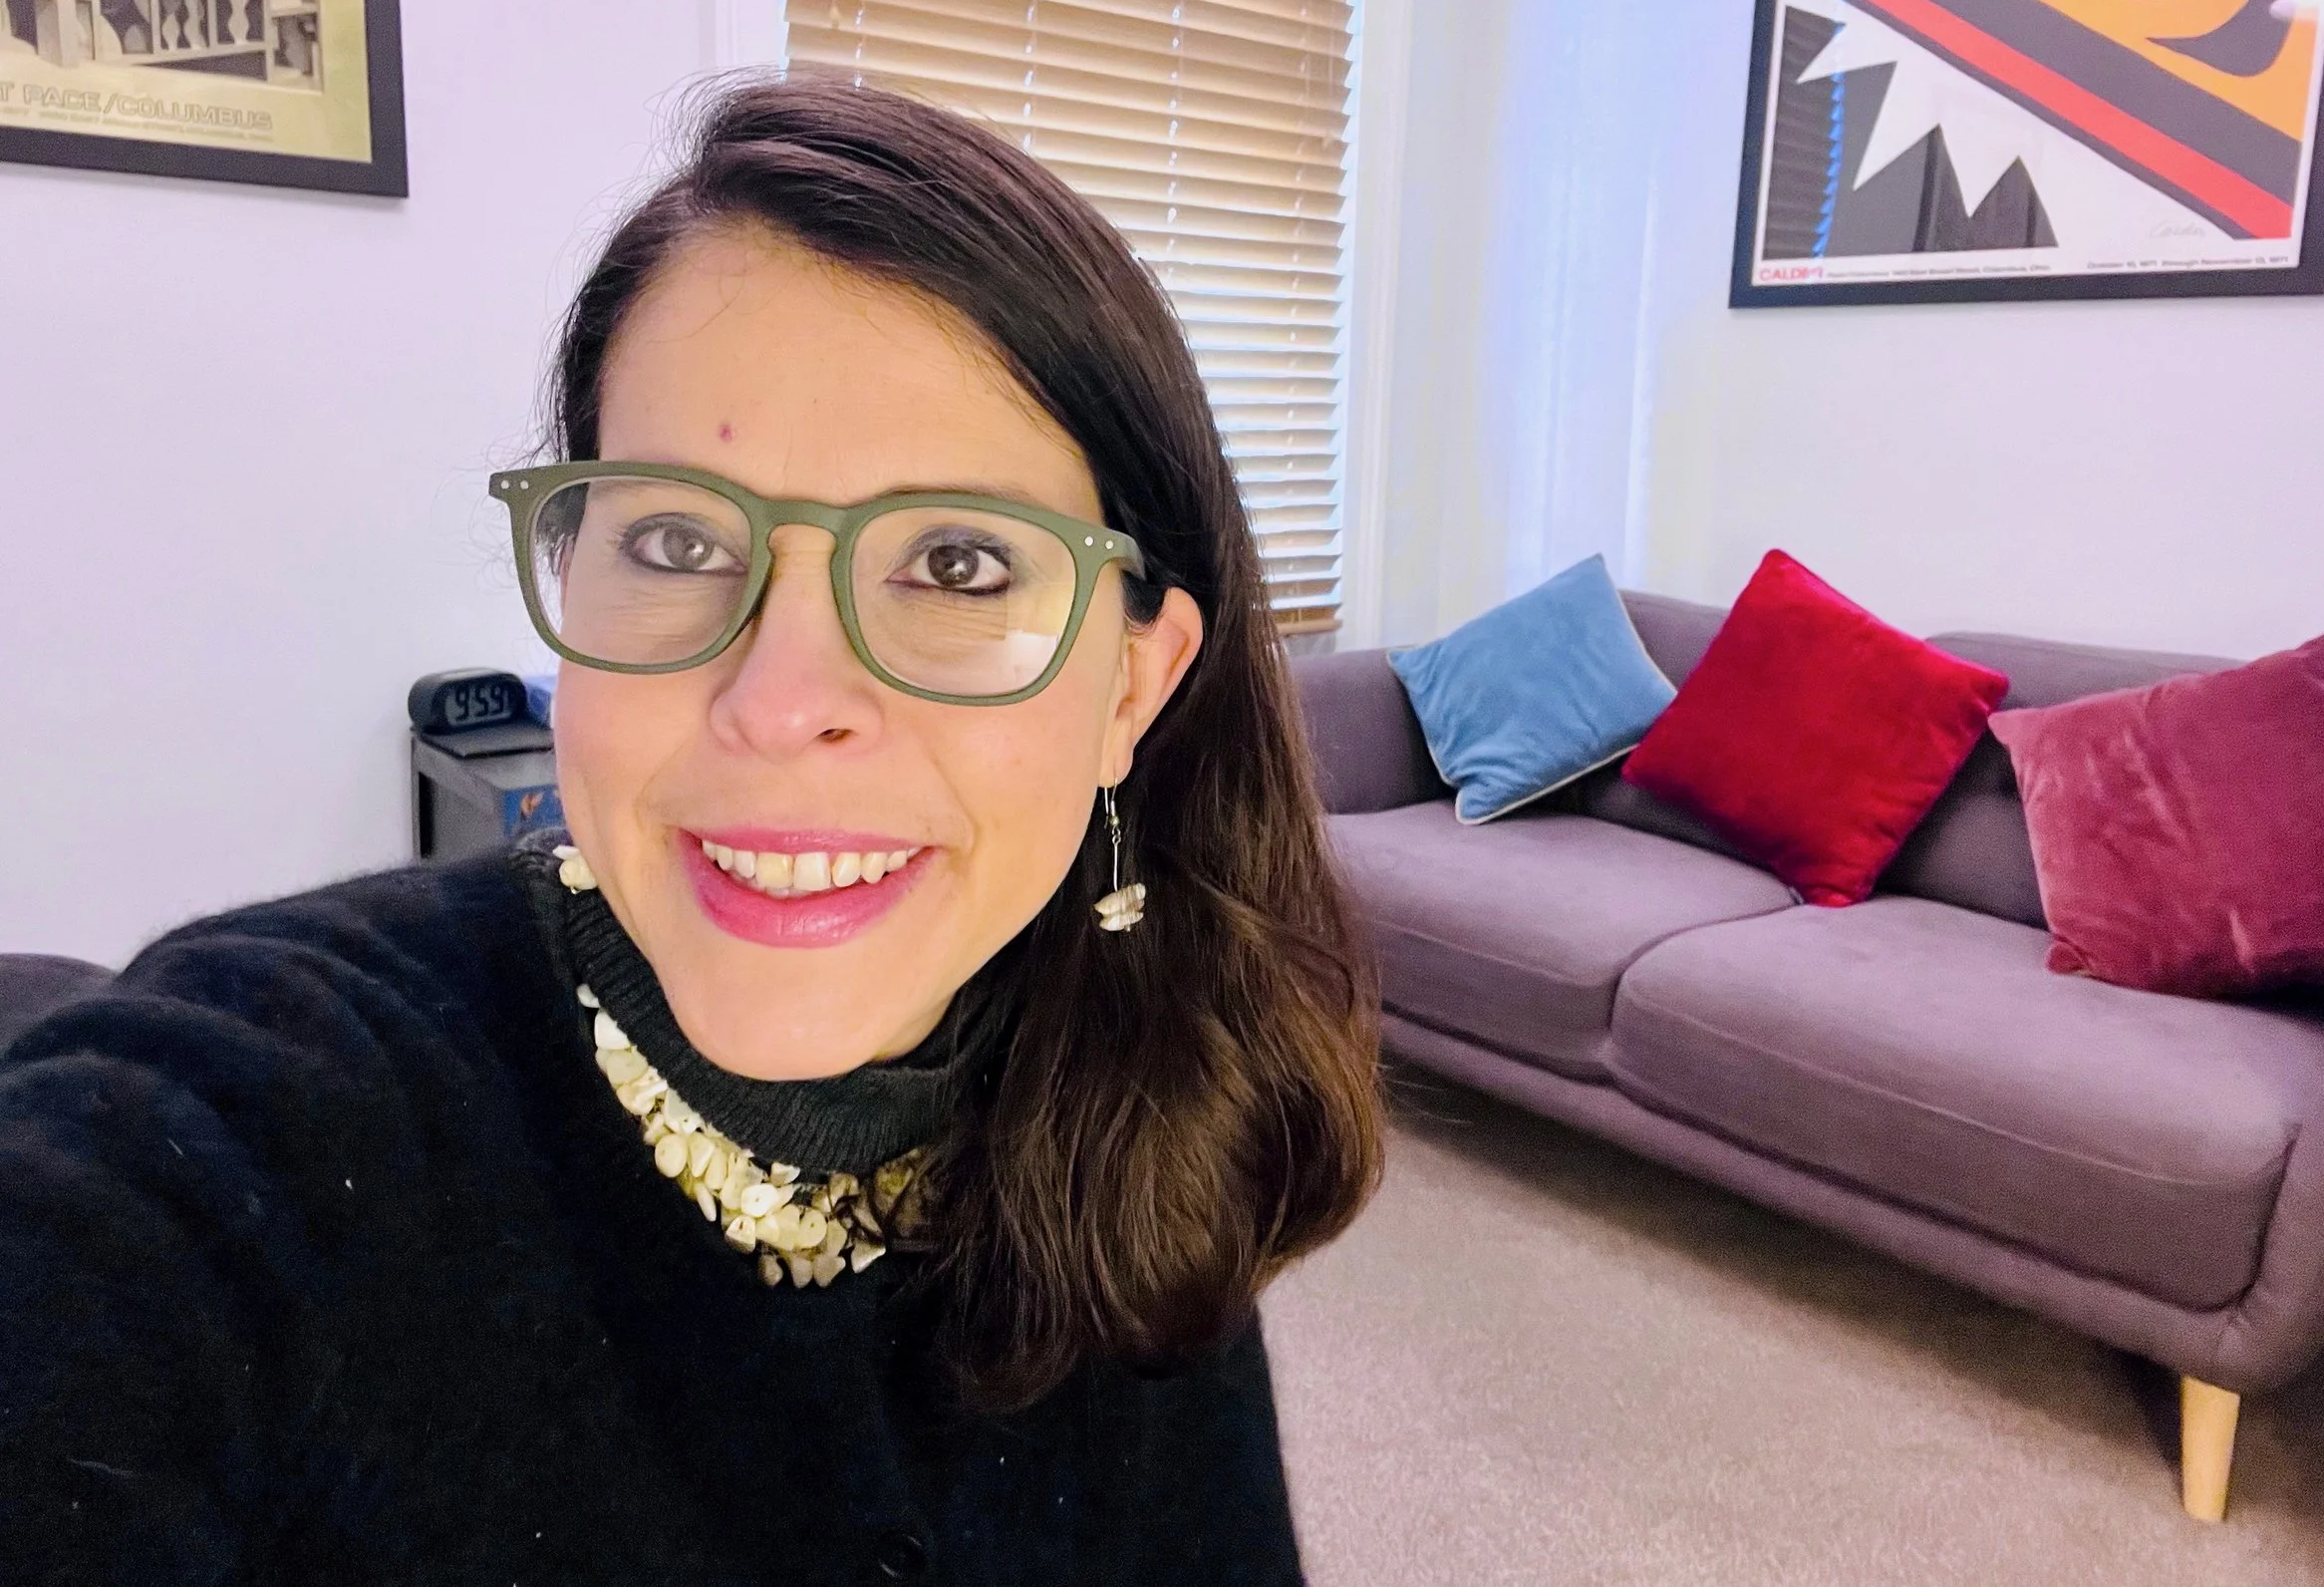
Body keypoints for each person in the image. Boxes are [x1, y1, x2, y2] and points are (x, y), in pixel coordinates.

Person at [0, 77, 1385, 1583]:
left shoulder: (1139, 1105)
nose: (780, 702)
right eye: (675, 541)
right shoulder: (262, 1125)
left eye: (960, 561)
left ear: (1132, 684)